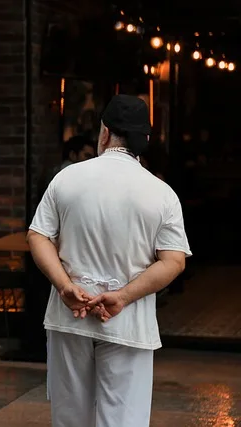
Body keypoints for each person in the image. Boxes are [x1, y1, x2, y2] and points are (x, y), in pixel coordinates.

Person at [27, 95, 191, 427]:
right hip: (128, 322)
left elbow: (37, 236)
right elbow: (173, 261)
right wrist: (123, 297)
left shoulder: (67, 178)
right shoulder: (161, 193)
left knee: (71, 416)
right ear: (142, 141)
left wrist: (65, 286)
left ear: (104, 133)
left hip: (69, 315)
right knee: (123, 418)